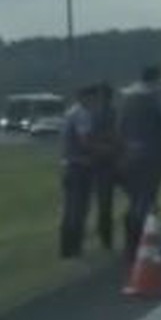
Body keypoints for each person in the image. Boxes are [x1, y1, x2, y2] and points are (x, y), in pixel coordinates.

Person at [117, 65, 161, 263]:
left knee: (136, 199)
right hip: (152, 154)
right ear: (157, 78)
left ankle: (133, 243)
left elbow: (119, 126)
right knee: (147, 200)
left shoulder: (127, 96)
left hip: (128, 154)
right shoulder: (157, 95)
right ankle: (142, 243)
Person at [59, 85, 100, 258]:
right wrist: (102, 150)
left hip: (68, 165)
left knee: (69, 209)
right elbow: (85, 141)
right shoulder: (83, 114)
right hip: (80, 166)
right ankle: (75, 247)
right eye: (93, 98)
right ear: (86, 98)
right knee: (79, 209)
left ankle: (66, 247)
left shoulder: (70, 113)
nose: (96, 102)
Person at [87, 82, 121, 251]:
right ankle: (105, 237)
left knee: (104, 203)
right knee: (105, 204)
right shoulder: (110, 113)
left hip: (104, 161)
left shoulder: (96, 113)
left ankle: (105, 237)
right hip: (107, 161)